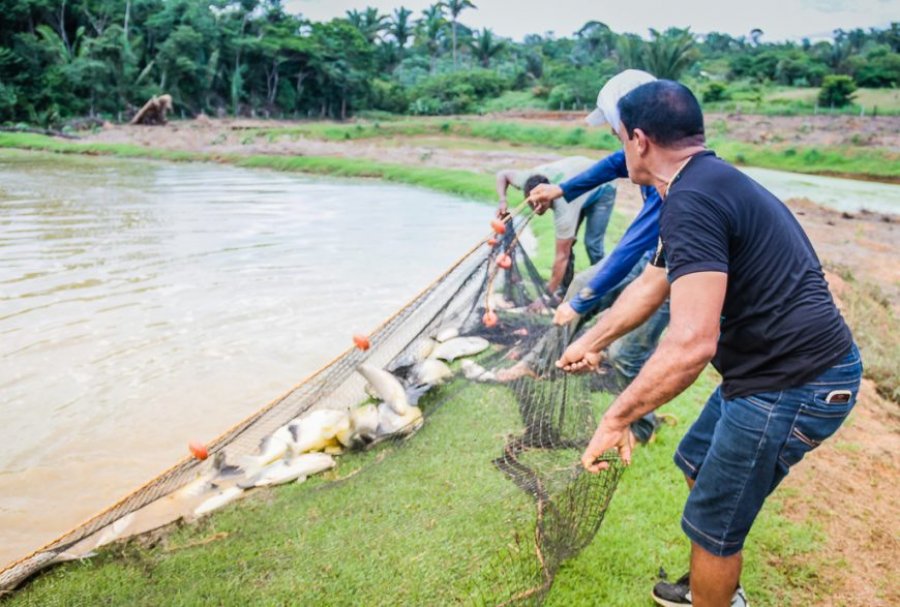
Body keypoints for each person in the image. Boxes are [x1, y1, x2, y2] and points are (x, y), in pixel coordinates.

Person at [557, 79, 860, 607]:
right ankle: (710, 589)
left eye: (618, 138)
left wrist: (616, 417)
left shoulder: (693, 200)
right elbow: (655, 282)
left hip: (796, 381)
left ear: (639, 139)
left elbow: (692, 343)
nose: (619, 148)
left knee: (713, 526)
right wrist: (593, 338)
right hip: (771, 371)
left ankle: (717, 593)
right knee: (697, 459)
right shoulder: (700, 184)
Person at [496, 70, 668, 395]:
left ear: (637, 133)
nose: (616, 138)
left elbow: (634, 243)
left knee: (625, 352)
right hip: (656, 258)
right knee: (585, 289)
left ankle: (637, 427)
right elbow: (613, 164)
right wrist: (560, 189)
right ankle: (542, 362)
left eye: (617, 131)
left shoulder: (670, 182)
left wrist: (580, 302)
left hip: (675, 274)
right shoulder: (647, 156)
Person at [495, 155, 615, 300]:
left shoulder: (563, 205)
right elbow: (502, 175)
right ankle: (564, 290)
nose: (536, 208)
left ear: (549, 197)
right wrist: (502, 200)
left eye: (542, 203)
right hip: (575, 172)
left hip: (602, 186)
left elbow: (561, 257)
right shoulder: (525, 179)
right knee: (568, 244)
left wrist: (544, 297)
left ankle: (604, 288)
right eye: (532, 203)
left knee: (592, 244)